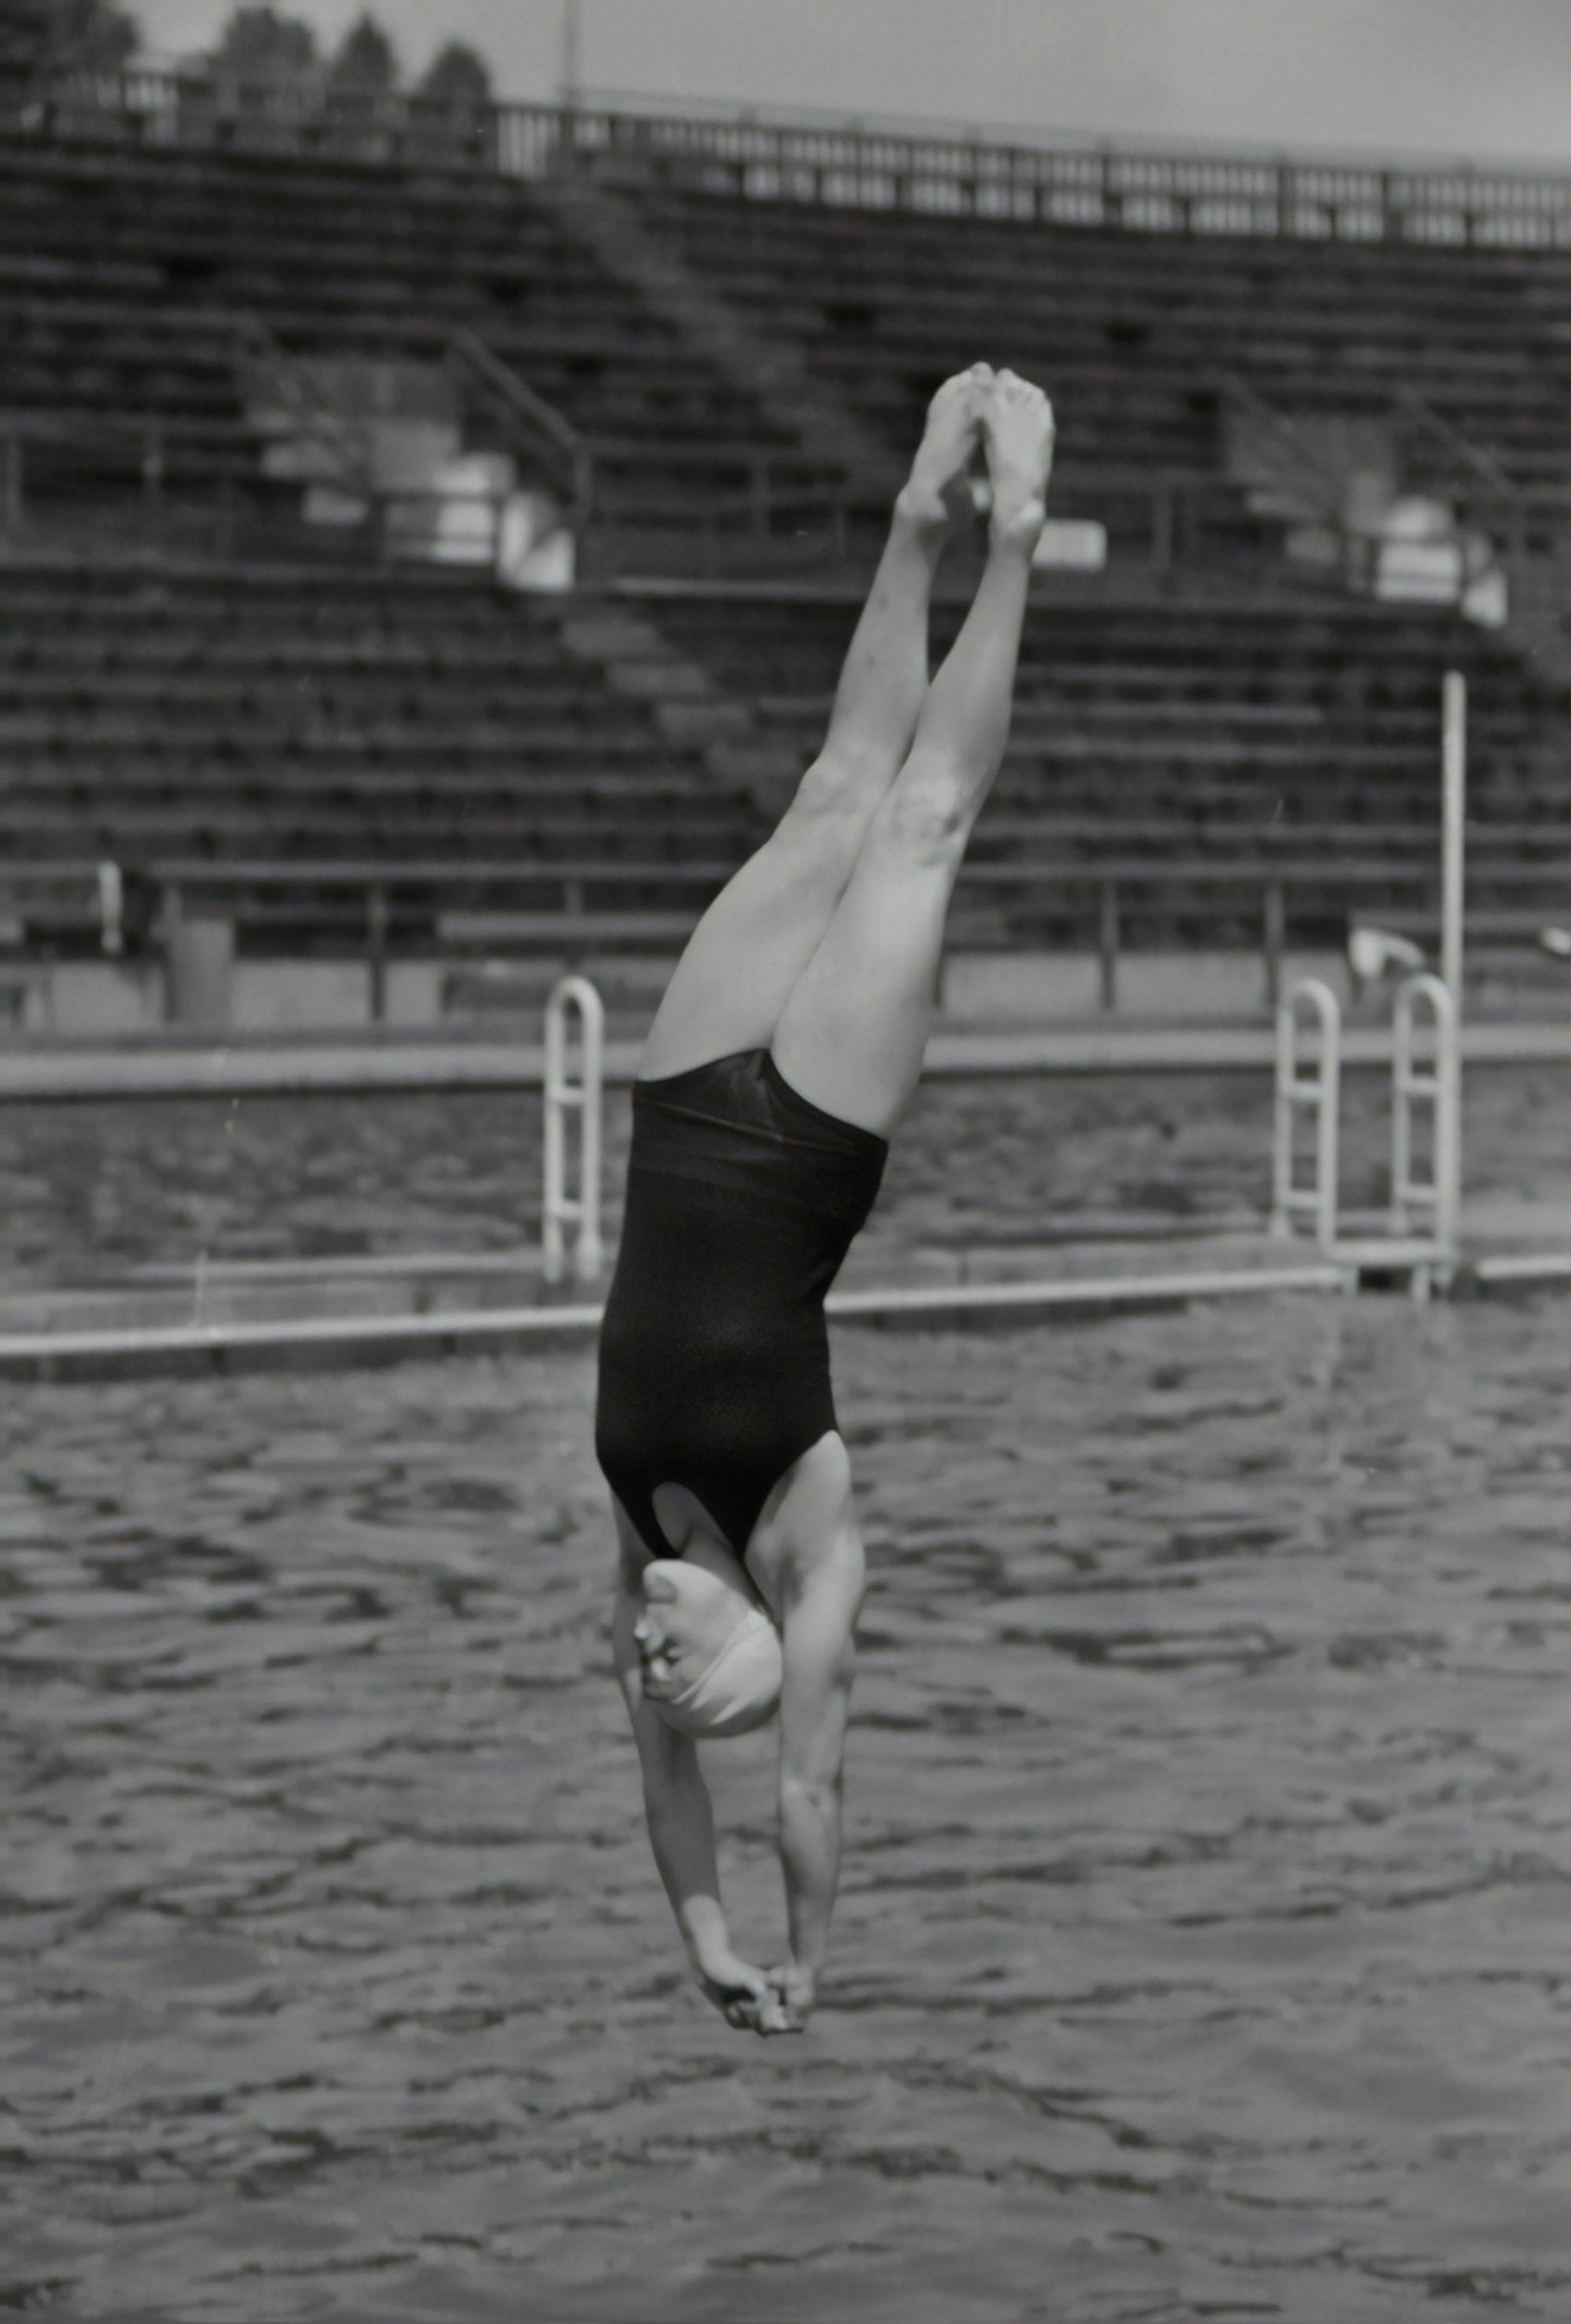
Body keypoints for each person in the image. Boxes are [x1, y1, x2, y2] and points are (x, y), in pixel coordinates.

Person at [595, 364, 1055, 2035]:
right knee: (920, 825)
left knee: (829, 794)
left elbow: (667, 1794)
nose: (639, 1659)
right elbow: (800, 1787)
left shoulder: (641, 1536)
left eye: (645, 1668)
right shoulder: (808, 1549)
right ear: (740, 1646)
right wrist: (803, 1960)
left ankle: (906, 517)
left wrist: (699, 1939)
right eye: (669, 1666)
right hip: (806, 1139)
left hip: (678, 1095)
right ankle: (1012, 542)